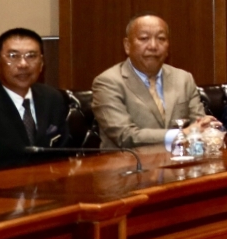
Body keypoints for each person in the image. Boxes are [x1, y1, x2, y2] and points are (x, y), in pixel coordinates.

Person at [91, 14, 216, 149]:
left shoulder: (183, 78)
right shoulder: (108, 82)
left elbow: (199, 125)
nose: (153, 46)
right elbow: (125, 135)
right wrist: (182, 134)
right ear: (127, 45)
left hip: (180, 160)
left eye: (161, 38)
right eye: (144, 38)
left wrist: (206, 126)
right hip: (129, 161)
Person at [0, 28, 70, 170]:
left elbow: (63, 154)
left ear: (42, 63)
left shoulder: (52, 98)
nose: (23, 64)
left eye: (31, 56)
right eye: (13, 56)